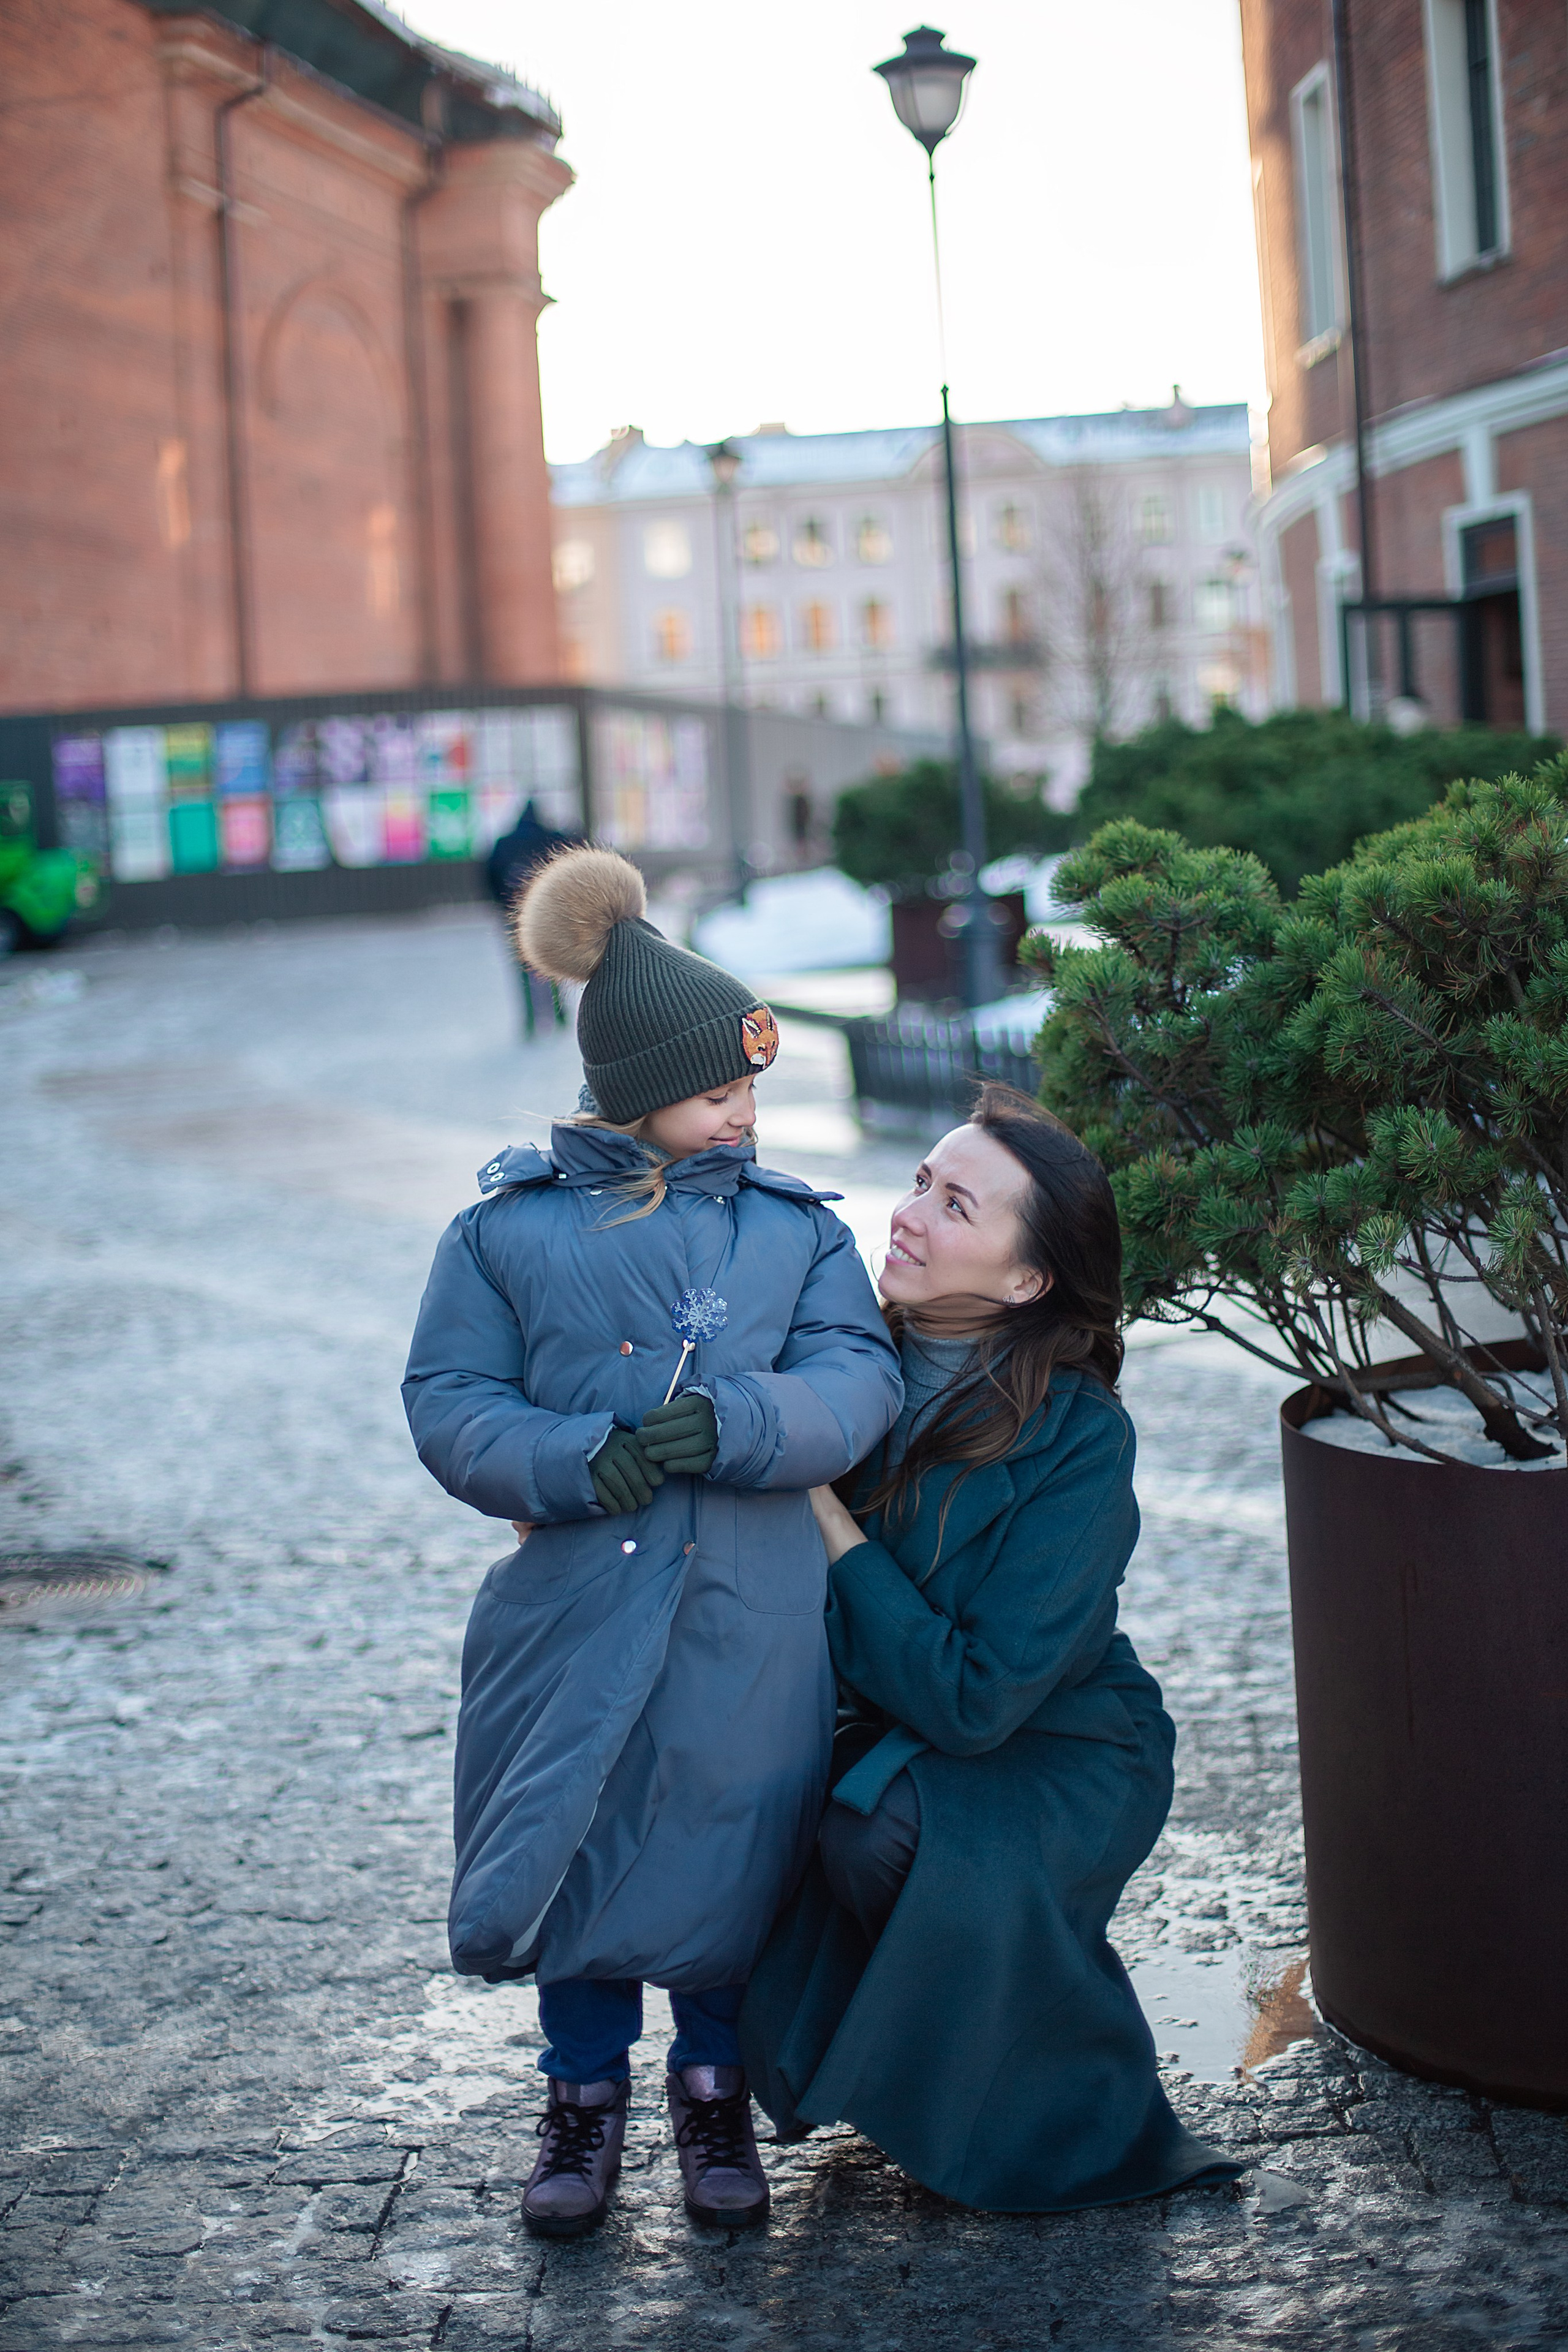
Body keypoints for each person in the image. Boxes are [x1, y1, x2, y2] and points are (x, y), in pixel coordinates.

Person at [402, 846, 902, 2240]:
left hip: (748, 1613)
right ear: (631, 1089)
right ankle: (579, 2097)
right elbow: (449, 1398)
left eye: (752, 1089)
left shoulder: (795, 1236)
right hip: (571, 1601)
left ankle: (710, 2088)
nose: (745, 1113)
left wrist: (736, 1422)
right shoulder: (504, 1234)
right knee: (578, 1842)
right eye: (717, 1090)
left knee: (726, 1845)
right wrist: (578, 1455)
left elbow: (855, 1382)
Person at [739, 1084, 1245, 2213]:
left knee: (878, 1832)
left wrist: (829, 1519)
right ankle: (906, 2055)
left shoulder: (1079, 1438)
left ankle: (1022, 2097)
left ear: (1026, 1280)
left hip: (1055, 1744)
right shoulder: (845, 1366)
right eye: (921, 1181)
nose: (911, 1213)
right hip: (905, 1716)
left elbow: (975, 1701)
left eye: (956, 1204)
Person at [484, 799, 578, 1035]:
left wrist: (502, 906)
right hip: (548, 912)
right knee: (553, 963)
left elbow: (490, 876)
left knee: (523, 969)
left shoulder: (504, 843)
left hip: (516, 914)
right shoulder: (553, 838)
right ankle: (560, 1014)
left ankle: (530, 1019)